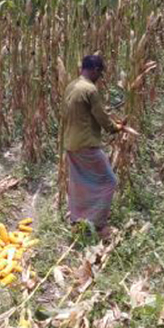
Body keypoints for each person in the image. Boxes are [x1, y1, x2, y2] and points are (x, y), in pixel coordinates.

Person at [61, 55, 123, 239]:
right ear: (95, 69)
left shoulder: (71, 86)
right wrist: (115, 128)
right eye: (100, 72)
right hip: (86, 144)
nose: (100, 77)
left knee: (80, 183)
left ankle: (78, 219)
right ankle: (98, 226)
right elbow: (102, 117)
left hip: (71, 143)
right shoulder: (90, 89)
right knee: (108, 181)